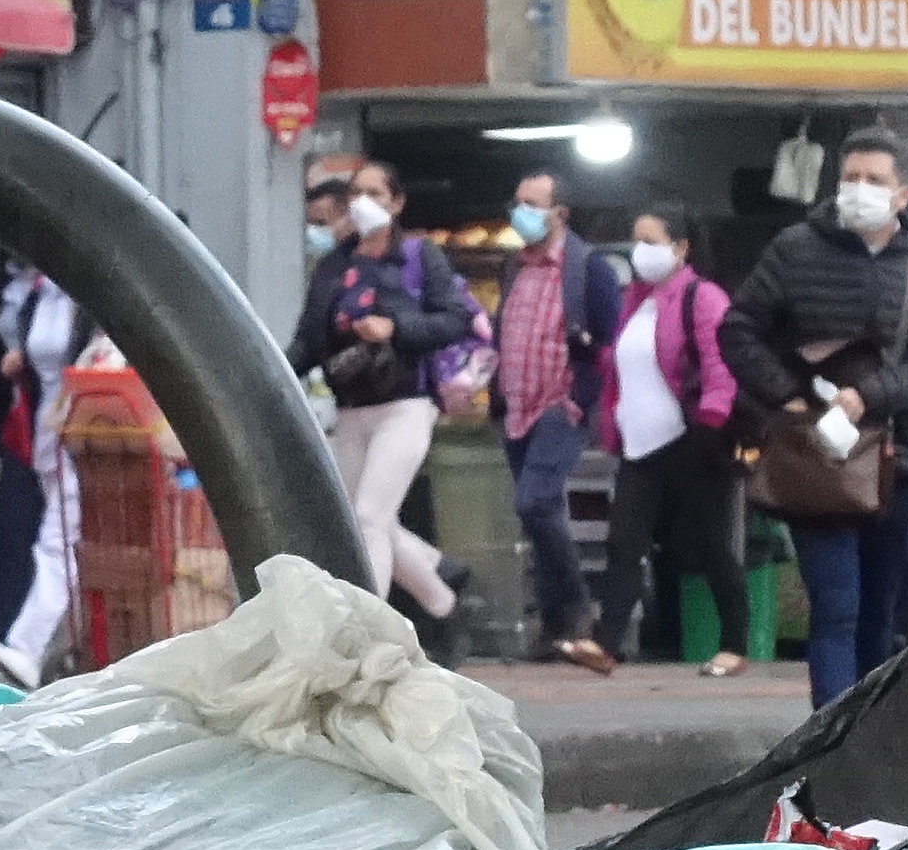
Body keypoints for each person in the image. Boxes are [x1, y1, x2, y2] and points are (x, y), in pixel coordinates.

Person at [723, 129, 908, 703]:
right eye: (850, 177)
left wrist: (871, 395)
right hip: (813, 458)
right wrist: (785, 394)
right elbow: (738, 330)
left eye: (875, 180)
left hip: (897, 464)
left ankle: (865, 733)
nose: (860, 189)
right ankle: (830, 736)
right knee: (835, 608)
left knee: (878, 613)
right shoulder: (794, 250)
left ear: (903, 195)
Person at [289, 158, 472, 622]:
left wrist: (394, 328)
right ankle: (444, 605)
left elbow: (454, 319)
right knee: (359, 522)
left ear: (396, 203)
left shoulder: (418, 256)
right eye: (355, 194)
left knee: (370, 516)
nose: (362, 203)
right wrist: (278, 376)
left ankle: (366, 626)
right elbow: (310, 338)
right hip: (352, 408)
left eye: (375, 194)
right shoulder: (334, 266)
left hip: (404, 405)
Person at [589, 203, 754, 676]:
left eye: (651, 241)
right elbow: (619, 371)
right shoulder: (633, 302)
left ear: (681, 248)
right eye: (637, 240)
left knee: (710, 543)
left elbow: (720, 364)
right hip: (640, 442)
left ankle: (734, 643)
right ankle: (607, 643)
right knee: (624, 542)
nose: (640, 251)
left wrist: (712, 420)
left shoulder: (702, 297)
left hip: (692, 437)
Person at [497, 167, 627, 672]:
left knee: (534, 501)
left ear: (560, 214)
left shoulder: (588, 269)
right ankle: (556, 627)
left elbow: (608, 342)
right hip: (516, 407)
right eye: (518, 202)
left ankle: (575, 609)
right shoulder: (515, 267)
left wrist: (584, 396)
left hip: (561, 404)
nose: (521, 213)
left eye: (533, 204)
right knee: (538, 514)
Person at [0, 255, 92, 689]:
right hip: (47, 427)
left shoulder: (89, 296)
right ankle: (52, 646)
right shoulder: (41, 291)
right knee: (62, 539)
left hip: (82, 426)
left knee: (58, 539)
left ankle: (27, 645)